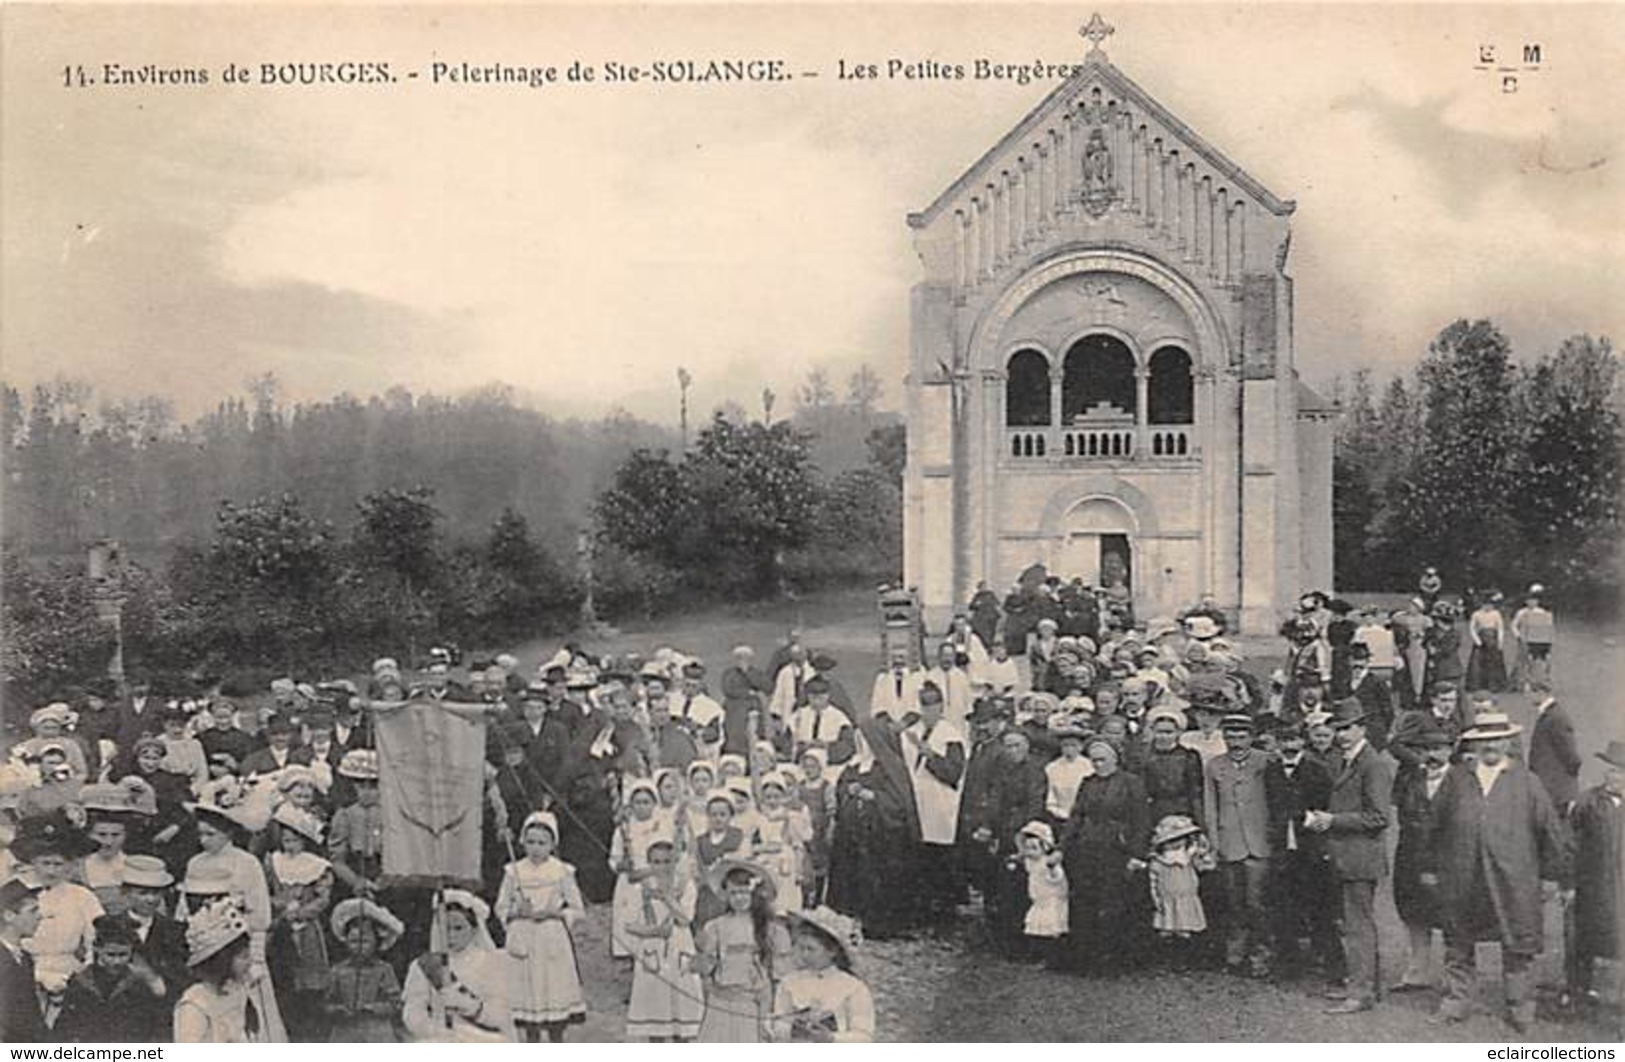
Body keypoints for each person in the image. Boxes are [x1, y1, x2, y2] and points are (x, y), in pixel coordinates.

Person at [1426, 712, 1569, 1033]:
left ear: (1507, 742)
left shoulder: (1527, 781)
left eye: (1497, 740)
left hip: (1512, 879)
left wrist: (1550, 875)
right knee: (1458, 941)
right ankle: (1456, 1002)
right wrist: (1430, 867)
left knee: (1517, 941)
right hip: (1463, 876)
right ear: (1474, 744)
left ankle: (1520, 1007)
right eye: (1484, 741)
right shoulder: (1457, 778)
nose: (1491, 746)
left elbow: (1551, 832)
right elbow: (1433, 825)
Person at [1305, 697, 1394, 1015]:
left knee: (1359, 926)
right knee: (1357, 924)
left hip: (1360, 857)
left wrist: (1332, 821)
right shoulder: (1347, 760)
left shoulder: (1372, 764)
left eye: (1347, 728)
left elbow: (1378, 817)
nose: (1341, 734)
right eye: (1337, 729)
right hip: (1346, 855)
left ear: (1362, 728)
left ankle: (1361, 992)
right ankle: (1368, 986)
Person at [1058, 740, 1150, 975]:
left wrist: (1136, 853)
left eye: (1102, 760)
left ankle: (1113, 960)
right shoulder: (1088, 783)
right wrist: (1063, 846)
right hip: (1087, 848)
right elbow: (1076, 816)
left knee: (1114, 903)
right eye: (1094, 760)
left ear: (1116, 759)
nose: (1098, 765)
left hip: (1117, 849)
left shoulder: (1131, 783)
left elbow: (1141, 821)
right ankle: (1086, 959)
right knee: (1085, 902)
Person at [495, 811, 586, 1041]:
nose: (536, 848)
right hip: (523, 936)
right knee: (527, 999)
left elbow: (577, 908)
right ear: (523, 842)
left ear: (552, 844)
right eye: (531, 842)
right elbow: (500, 907)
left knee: (553, 993)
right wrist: (517, 912)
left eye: (542, 843)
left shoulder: (562, 871)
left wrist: (554, 912)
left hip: (550, 938)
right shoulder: (513, 871)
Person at [1264, 723, 1340, 984]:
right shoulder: (1270, 771)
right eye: (1284, 740)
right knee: (1284, 908)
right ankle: (1289, 966)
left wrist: (1308, 818)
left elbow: (1329, 806)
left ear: (1303, 741)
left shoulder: (1318, 771)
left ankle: (1334, 969)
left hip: (1312, 848)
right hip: (1282, 850)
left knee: (1320, 909)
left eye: (1294, 739)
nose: (1289, 746)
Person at [1203, 714, 1273, 978]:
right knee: (1233, 902)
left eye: (1241, 736)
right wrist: (1214, 841)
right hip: (1229, 840)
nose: (1236, 742)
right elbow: (1210, 805)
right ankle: (1235, 954)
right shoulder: (1215, 766)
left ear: (1251, 737)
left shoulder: (1264, 762)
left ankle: (1261, 955)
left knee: (1257, 902)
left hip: (1259, 841)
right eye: (1230, 736)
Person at [400, 890, 515, 1042]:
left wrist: (470, 1006)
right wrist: (432, 1030)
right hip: (439, 1038)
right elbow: (412, 1012)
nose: (451, 935)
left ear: (474, 929)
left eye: (458, 928)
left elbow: (503, 1016)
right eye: (445, 928)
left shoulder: (493, 962)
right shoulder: (423, 965)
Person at [693, 861, 788, 1043]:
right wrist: (702, 965)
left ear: (755, 893)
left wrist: (768, 1008)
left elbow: (776, 974)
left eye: (744, 892)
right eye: (733, 893)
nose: (739, 898)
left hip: (753, 1002)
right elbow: (708, 965)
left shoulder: (769, 928)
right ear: (726, 895)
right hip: (722, 998)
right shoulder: (716, 926)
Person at [620, 838, 703, 1042]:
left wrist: (667, 897)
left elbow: (685, 919)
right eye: (656, 862)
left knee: (681, 1003)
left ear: (675, 862)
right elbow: (629, 925)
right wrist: (654, 932)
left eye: (667, 862)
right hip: (652, 949)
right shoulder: (640, 888)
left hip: (680, 946)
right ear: (649, 864)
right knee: (655, 1006)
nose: (662, 867)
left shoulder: (686, 885)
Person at [1390, 722, 1452, 991]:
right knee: (1414, 915)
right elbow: (1400, 816)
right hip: (1410, 857)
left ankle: (1455, 978)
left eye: (1439, 749)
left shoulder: (1461, 781)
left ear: (1450, 751)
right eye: (1427, 749)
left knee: (1451, 919)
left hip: (1446, 861)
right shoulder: (1410, 779)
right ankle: (1418, 973)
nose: (1432, 755)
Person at [264, 803, 333, 1041]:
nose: (289, 845)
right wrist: (280, 907)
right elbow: (268, 892)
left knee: (308, 976)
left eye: (294, 840)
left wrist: (301, 913)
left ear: (305, 840)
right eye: (286, 840)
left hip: (306, 927)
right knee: (283, 977)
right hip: (280, 925)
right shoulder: (273, 861)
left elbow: (323, 899)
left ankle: (309, 1027)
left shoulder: (316, 865)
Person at [1568, 740, 1624, 1023]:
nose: (1616, 777)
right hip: (1594, 883)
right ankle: (1579, 990)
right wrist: (1570, 881)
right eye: (1612, 770)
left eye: (1622, 772)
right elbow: (1571, 842)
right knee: (1584, 936)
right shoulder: (1588, 802)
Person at [770, 906, 875, 1042]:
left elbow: (864, 1037)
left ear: (832, 952)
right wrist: (791, 1029)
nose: (804, 955)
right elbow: (776, 1022)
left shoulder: (853, 988)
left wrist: (831, 1038)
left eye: (811, 949)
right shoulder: (789, 982)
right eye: (801, 948)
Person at [56, 914, 168, 1041]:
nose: (117, 961)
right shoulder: (81, 983)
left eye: (123, 955)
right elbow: (65, 1028)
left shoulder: (138, 985)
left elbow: (151, 1027)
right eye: (111, 955)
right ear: (97, 948)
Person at [174, 900, 265, 1042]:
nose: (249, 962)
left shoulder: (237, 991)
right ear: (222, 961)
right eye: (243, 957)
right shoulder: (195, 1004)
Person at [325, 898, 404, 1042]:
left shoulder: (384, 970)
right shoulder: (338, 970)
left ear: (376, 943)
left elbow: (396, 1003)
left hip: (377, 1032)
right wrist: (338, 1009)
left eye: (365, 941)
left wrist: (373, 1008)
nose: (359, 947)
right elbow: (327, 1001)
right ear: (346, 942)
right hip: (345, 1032)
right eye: (354, 942)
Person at [1148, 814, 1207, 968]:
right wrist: (1156, 899)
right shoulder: (1158, 862)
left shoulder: (1189, 858)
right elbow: (1153, 882)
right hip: (1167, 898)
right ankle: (1168, 959)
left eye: (1179, 840)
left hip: (1186, 897)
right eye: (1171, 842)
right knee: (1167, 928)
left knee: (1185, 928)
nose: (1175, 846)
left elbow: (1206, 865)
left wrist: (1200, 849)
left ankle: (1184, 960)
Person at [0, 879, 45, 1043]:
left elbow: (31, 1013)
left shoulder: (25, 958)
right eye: (33, 911)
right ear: (9, 916)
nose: (40, 916)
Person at [1527, 687, 1581, 815]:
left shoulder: (1556, 717)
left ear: (1540, 693)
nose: (1526, 697)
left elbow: (1570, 755)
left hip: (1556, 790)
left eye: (1529, 692)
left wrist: (1566, 781)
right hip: (1550, 788)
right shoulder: (1549, 715)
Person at [1510, 586, 1555, 691]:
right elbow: (1514, 625)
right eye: (1529, 601)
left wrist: (1547, 639)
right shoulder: (1521, 612)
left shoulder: (1541, 612)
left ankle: (1538, 683)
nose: (1532, 603)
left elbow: (1547, 626)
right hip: (1524, 639)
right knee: (1523, 662)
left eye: (1534, 601)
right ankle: (1522, 683)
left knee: (1537, 662)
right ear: (1526, 602)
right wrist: (1518, 636)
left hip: (1538, 640)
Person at [1465, 592, 1509, 692]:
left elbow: (1500, 628)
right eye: (1486, 604)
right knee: (1478, 662)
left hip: (1493, 639)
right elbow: (1472, 628)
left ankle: (1495, 685)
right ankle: (1477, 684)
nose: (1488, 607)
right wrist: (1477, 641)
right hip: (1481, 639)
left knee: (1494, 662)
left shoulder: (1496, 614)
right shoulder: (1476, 614)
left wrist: (1500, 642)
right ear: (1482, 604)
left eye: (1490, 604)